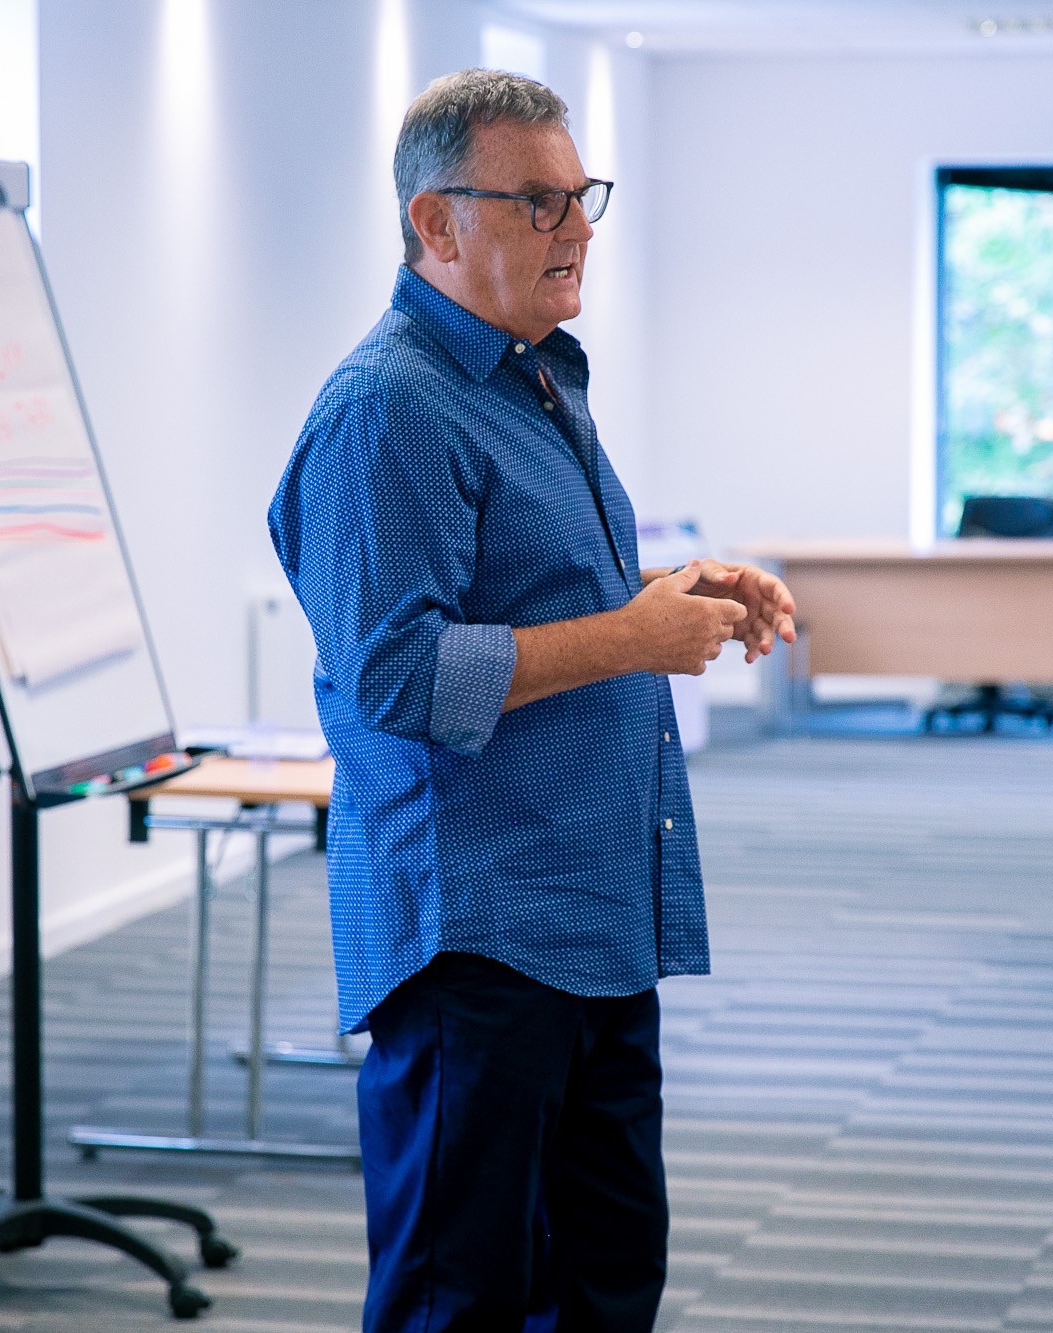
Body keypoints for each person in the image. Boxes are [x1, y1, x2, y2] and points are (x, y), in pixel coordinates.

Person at [267, 69, 796, 1332]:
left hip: (590, 907)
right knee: (462, 1294)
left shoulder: (532, 375)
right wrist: (629, 634)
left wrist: (674, 594)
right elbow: (397, 674)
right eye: (537, 202)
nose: (576, 230)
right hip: (477, 930)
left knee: (605, 1272)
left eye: (580, 197)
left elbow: (541, 594)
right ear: (434, 224)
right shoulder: (390, 409)